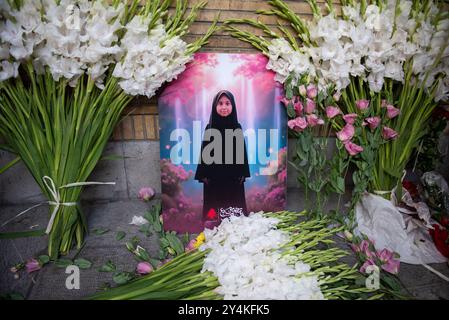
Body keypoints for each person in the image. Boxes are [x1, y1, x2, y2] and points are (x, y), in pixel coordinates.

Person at [195, 90, 250, 227]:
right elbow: (204, 152)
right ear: (215, 106)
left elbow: (241, 151)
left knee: (234, 209)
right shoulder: (210, 127)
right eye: (220, 104)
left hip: (233, 177)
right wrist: (203, 174)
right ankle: (214, 228)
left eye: (227, 103)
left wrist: (243, 172)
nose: (224, 107)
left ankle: (235, 228)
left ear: (233, 106)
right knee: (215, 209)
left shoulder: (237, 127)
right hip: (214, 177)